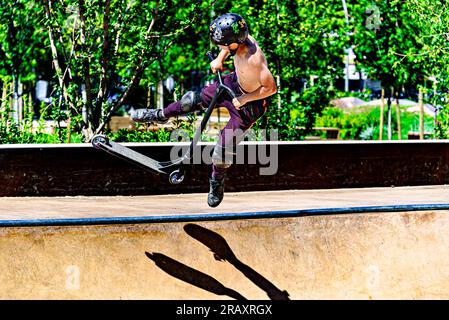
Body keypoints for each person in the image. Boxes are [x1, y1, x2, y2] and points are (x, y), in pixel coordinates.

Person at [131, 13, 277, 207]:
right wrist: (219, 58)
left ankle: (217, 182)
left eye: (222, 45)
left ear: (234, 43)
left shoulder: (254, 60)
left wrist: (244, 99)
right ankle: (160, 115)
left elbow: (271, 88)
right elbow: (227, 46)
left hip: (249, 104)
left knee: (223, 150)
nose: (220, 47)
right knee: (190, 101)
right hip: (232, 85)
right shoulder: (239, 38)